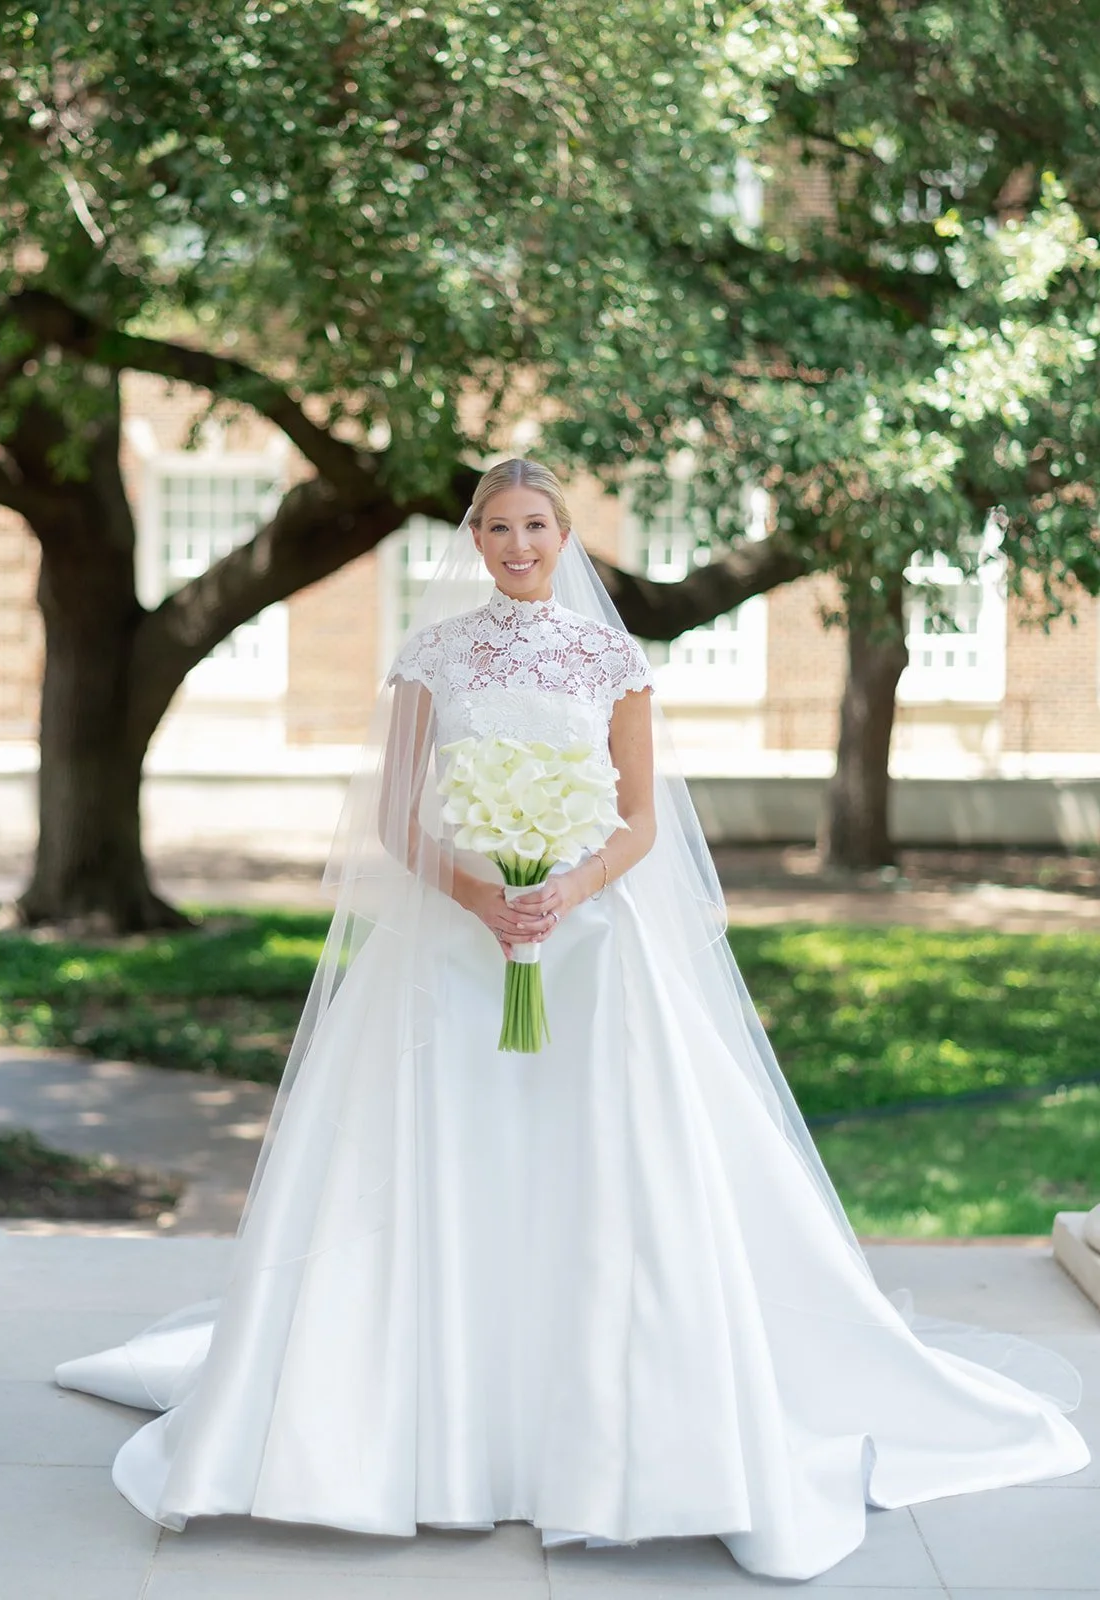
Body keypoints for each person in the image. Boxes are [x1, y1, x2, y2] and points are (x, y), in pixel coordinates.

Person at [57, 458, 1089, 1582]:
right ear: (473, 536)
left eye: (534, 524)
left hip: (594, 948)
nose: (515, 544)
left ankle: (604, 1429)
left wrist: (565, 890)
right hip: (448, 951)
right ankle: (430, 1433)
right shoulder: (430, 658)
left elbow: (641, 818)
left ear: (563, 534)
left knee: (598, 1167)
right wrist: (481, 895)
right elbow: (401, 820)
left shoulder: (611, 658)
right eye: (495, 526)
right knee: (446, 1164)